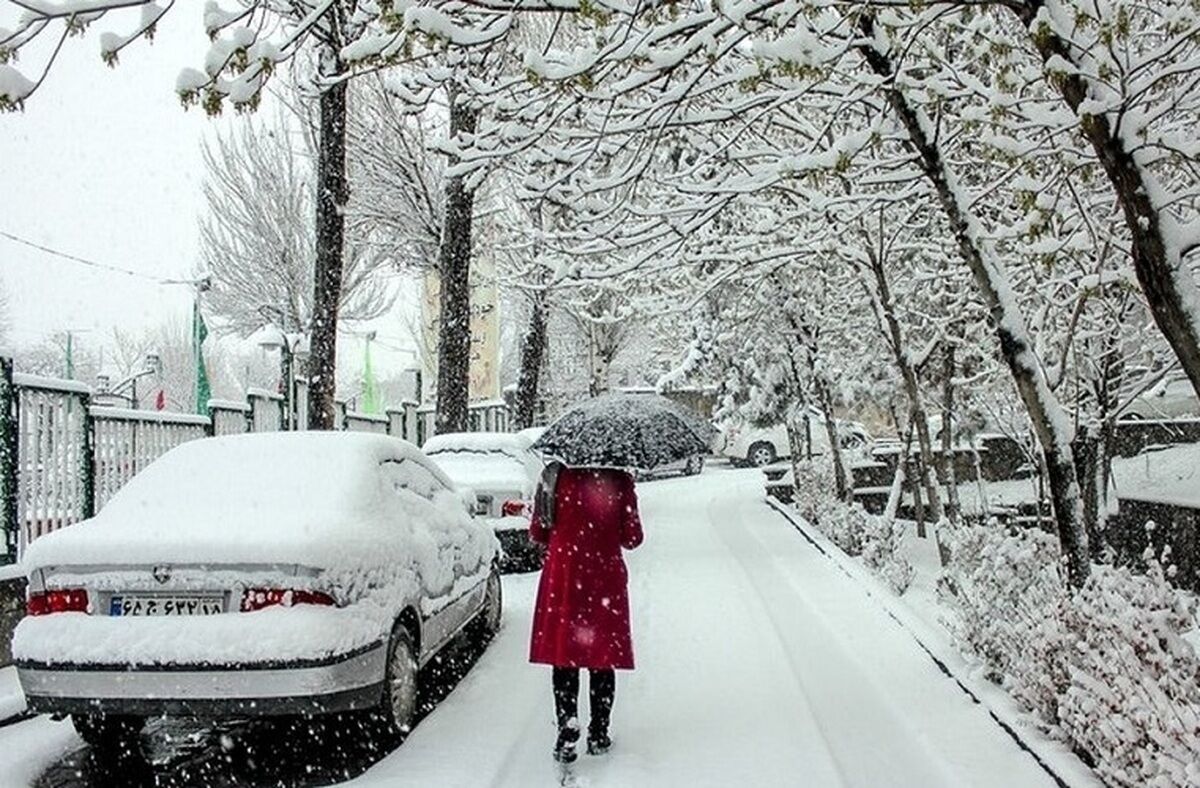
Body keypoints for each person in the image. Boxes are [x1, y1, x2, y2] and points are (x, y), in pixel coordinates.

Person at [529, 462, 644, 763]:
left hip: (564, 575)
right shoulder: (620, 481)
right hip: (604, 577)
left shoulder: (554, 477)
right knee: (602, 655)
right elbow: (633, 538)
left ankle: (567, 728)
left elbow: (538, 531)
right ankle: (598, 732)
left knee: (565, 655)